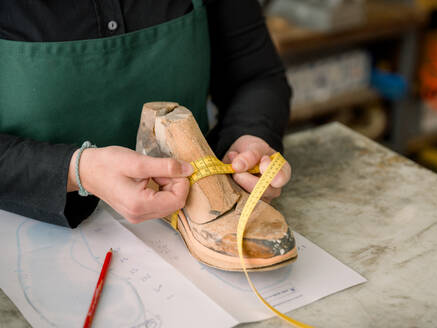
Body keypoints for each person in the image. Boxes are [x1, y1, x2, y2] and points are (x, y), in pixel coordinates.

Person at [0, 0, 292, 228]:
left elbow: (256, 76)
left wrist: (251, 136)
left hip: (200, 212)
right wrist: (76, 171)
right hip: (34, 233)